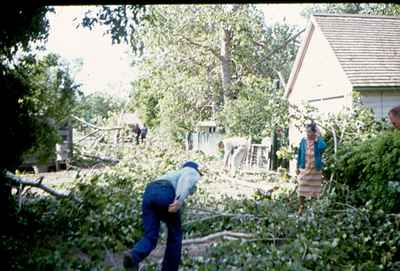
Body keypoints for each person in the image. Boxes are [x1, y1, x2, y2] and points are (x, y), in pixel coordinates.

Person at [123, 160, 203, 271]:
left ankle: (134, 256)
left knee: (150, 236)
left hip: (149, 193)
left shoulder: (171, 173)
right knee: (175, 236)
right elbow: (186, 181)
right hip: (164, 191)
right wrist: (179, 200)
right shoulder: (191, 171)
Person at [296, 122, 327, 215]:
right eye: (307, 132)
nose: (308, 134)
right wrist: (297, 167)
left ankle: (312, 208)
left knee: (315, 189)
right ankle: (301, 207)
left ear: (314, 133)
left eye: (309, 132)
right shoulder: (303, 141)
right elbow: (300, 153)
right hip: (305, 168)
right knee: (301, 187)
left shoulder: (318, 142)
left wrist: (318, 136)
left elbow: (323, 147)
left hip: (315, 170)